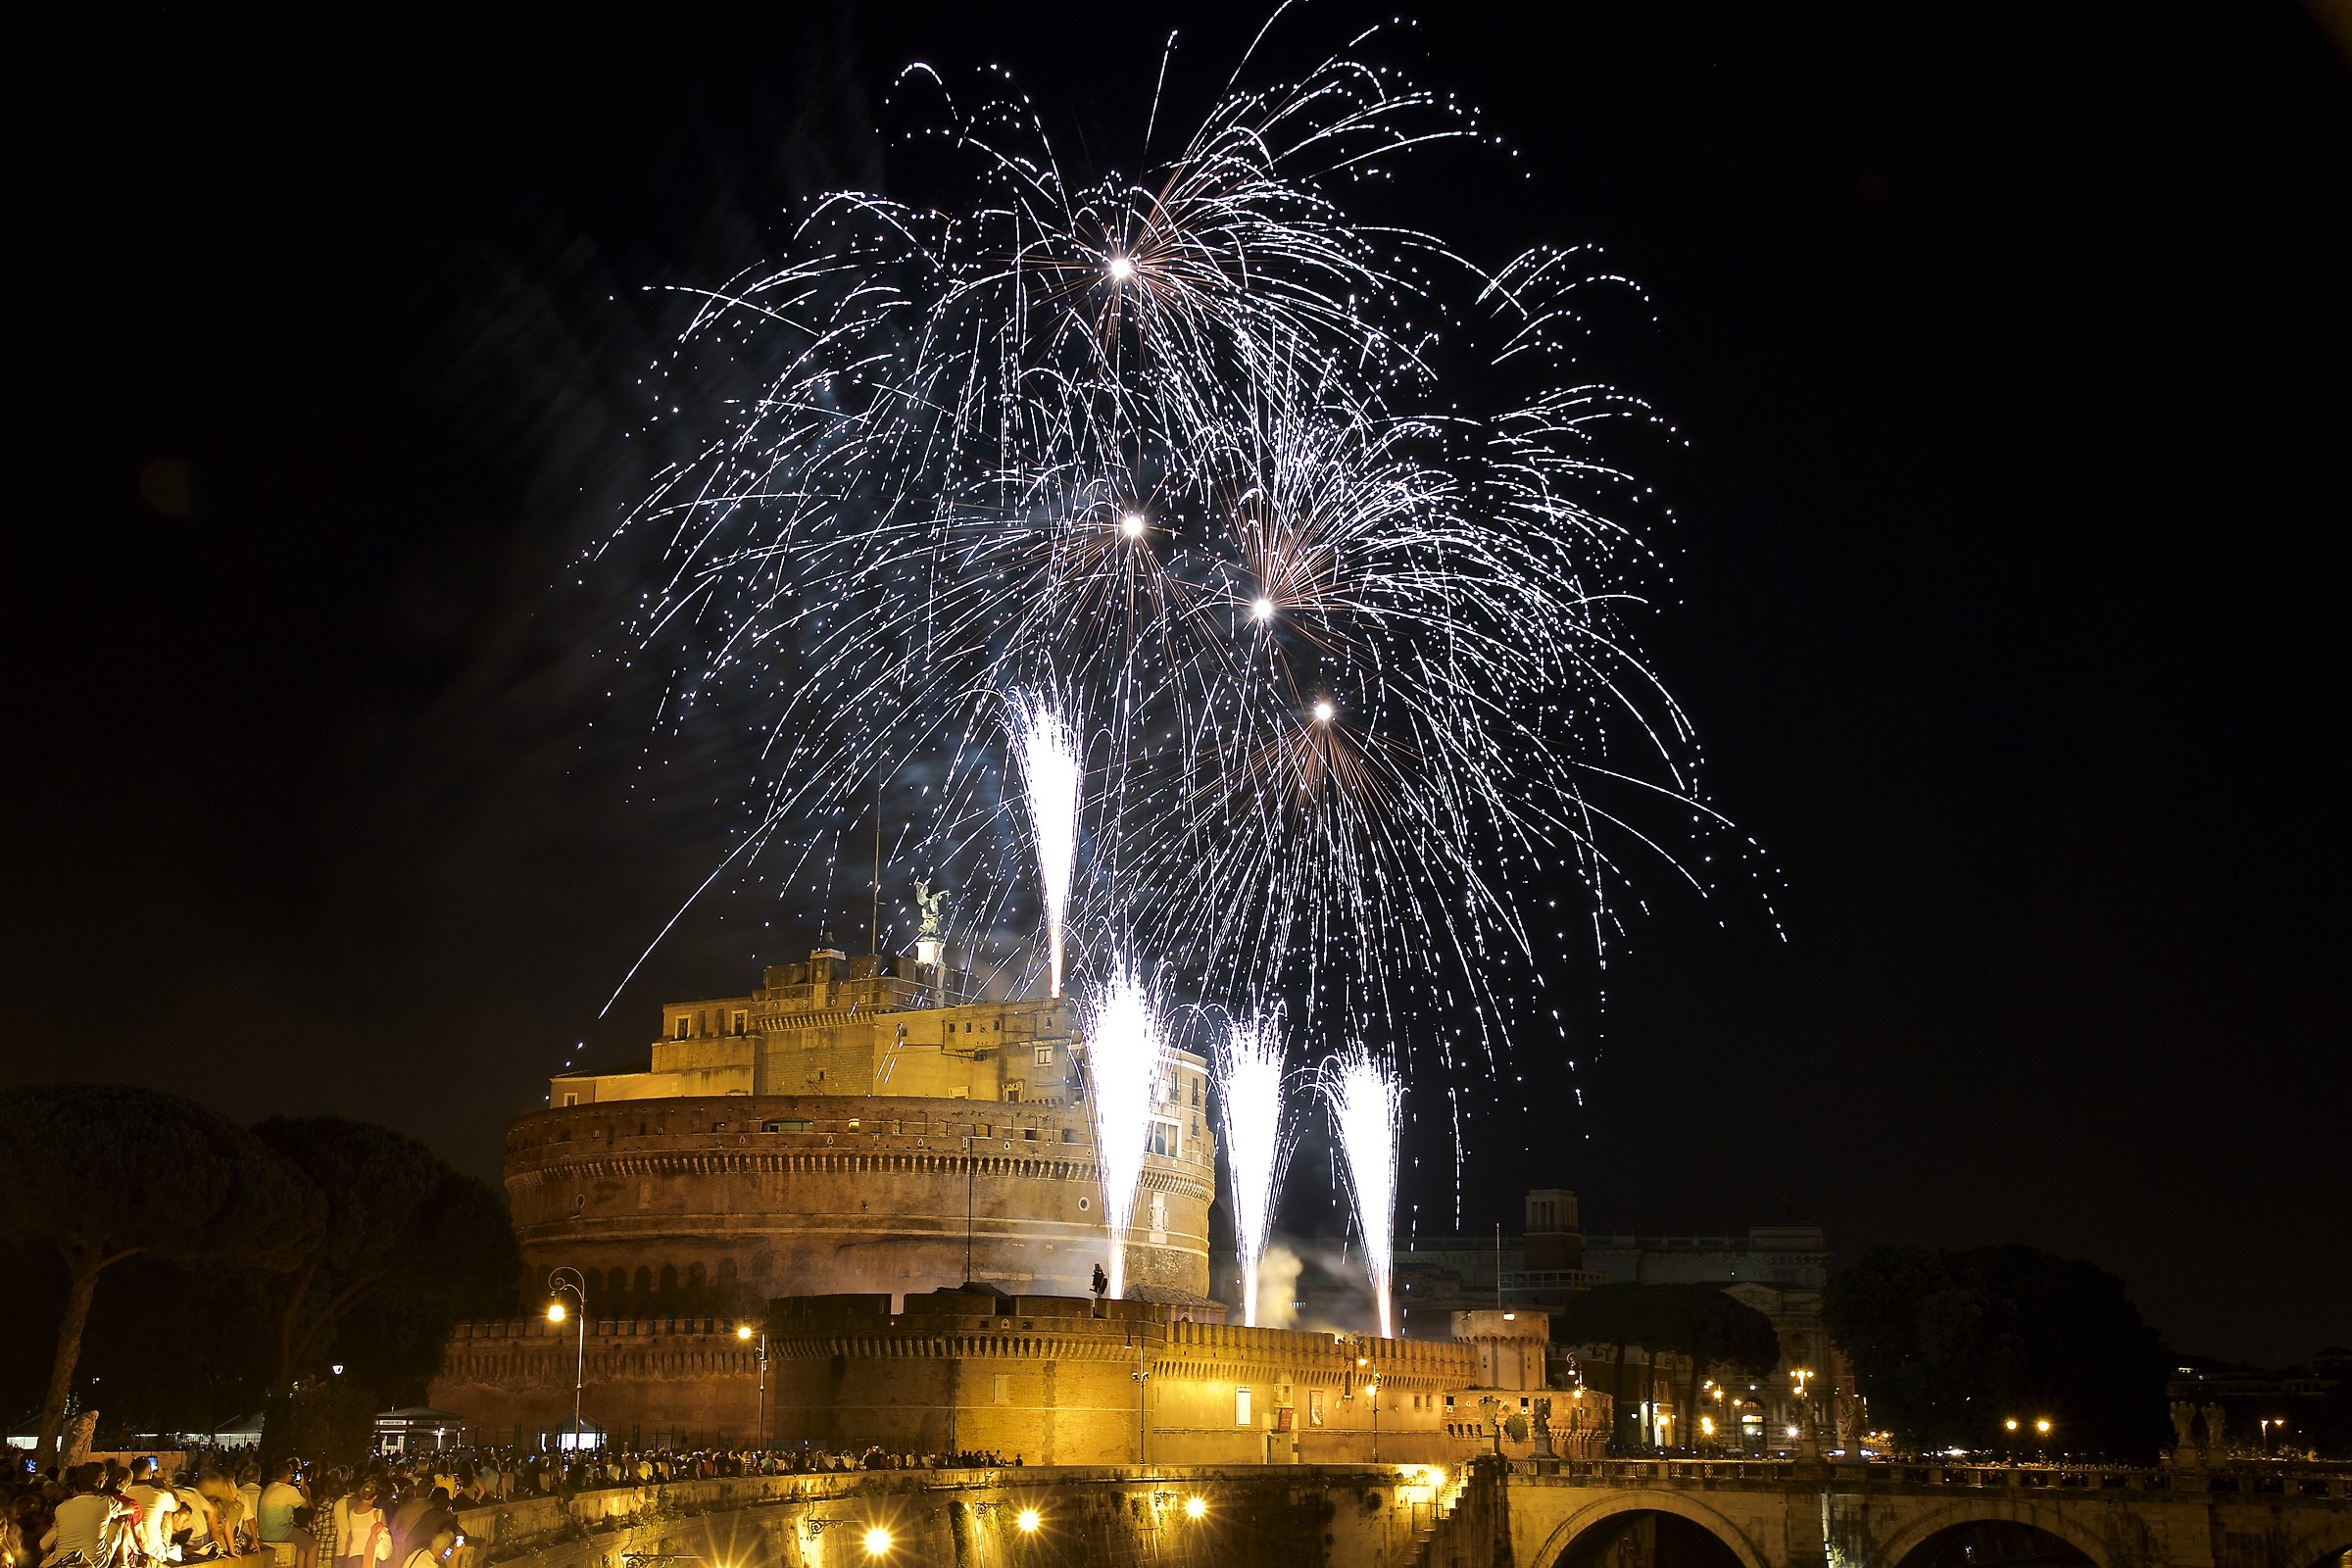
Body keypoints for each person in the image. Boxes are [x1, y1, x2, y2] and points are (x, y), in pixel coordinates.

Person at [41, 1466, 113, 1567]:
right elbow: (130, 1508)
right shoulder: (107, 1503)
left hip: (62, 1563)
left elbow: (43, 1545)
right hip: (94, 1563)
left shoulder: (61, 1509)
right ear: (101, 1483)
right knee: (120, 1521)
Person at [258, 1459, 315, 1568]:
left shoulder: (270, 1487)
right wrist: (302, 1486)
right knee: (314, 1545)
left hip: (265, 1531)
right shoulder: (289, 1490)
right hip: (279, 1532)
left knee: (303, 1538)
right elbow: (306, 1505)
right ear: (289, 1476)